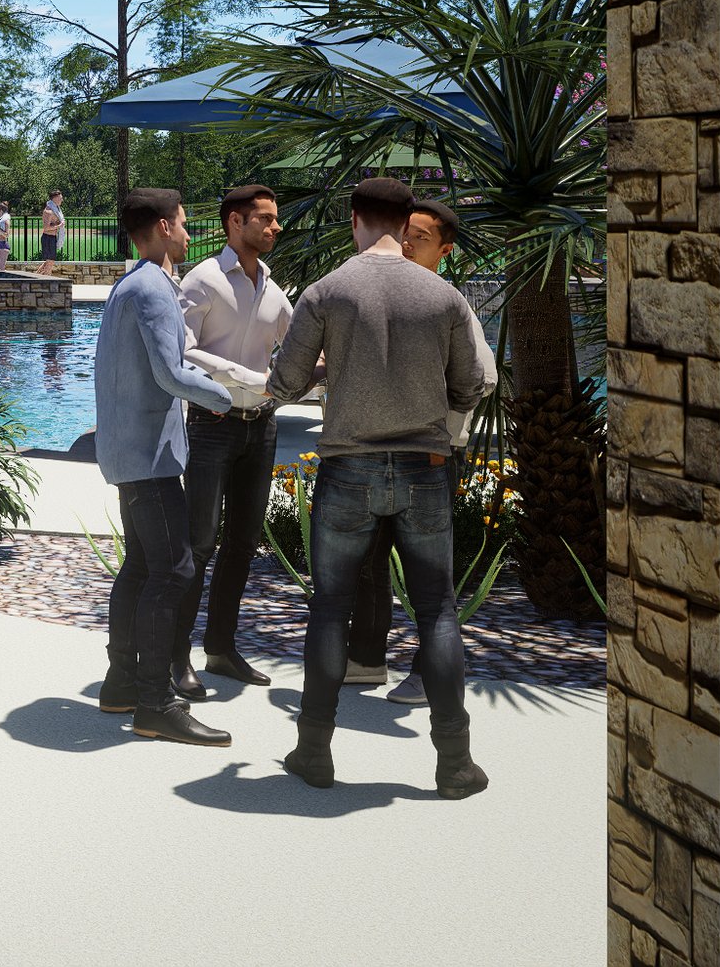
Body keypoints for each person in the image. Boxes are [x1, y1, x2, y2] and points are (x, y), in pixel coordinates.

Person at [270, 178, 491, 799]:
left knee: (330, 610)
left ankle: (313, 750)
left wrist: (330, 371)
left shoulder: (326, 291)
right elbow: (469, 385)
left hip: (348, 467)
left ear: (355, 220)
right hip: (424, 464)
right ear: (404, 221)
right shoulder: (444, 296)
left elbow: (284, 383)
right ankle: (454, 764)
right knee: (438, 612)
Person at [93, 187, 236, 747]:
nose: (187, 228)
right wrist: (233, 396)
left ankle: (121, 683)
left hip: (133, 453)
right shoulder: (151, 286)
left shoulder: (132, 283)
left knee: (142, 567)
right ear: (160, 225)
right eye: (182, 221)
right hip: (149, 459)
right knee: (173, 570)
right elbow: (172, 375)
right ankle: (156, 702)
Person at [346, 195, 498, 706]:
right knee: (370, 561)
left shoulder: (446, 301)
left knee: (428, 580)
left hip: (430, 456)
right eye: (406, 232)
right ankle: (367, 659)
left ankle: (426, 675)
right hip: (383, 453)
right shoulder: (386, 292)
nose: (408, 242)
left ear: (446, 251)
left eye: (423, 238)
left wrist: (443, 436)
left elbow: (483, 377)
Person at [175, 184, 292, 690]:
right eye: (265, 218)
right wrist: (246, 378)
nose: (275, 227)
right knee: (198, 544)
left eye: (275, 219)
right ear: (234, 223)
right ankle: (176, 657)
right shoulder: (201, 281)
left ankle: (221, 650)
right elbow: (182, 352)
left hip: (261, 428)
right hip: (211, 426)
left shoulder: (273, 287)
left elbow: (295, 352)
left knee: (242, 544)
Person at [39, 190, 65, 264]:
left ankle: (41, 275)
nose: (62, 200)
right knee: (48, 264)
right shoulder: (49, 211)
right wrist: (59, 225)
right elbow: (46, 228)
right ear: (55, 198)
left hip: (52, 238)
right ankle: (39, 276)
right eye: (60, 198)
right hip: (48, 238)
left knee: (49, 264)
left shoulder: (56, 210)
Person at [0, 201, 12, 267]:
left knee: (1, 268)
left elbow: (7, 235)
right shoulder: (1, 220)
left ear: (0, 209)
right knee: (0, 268)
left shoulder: (6, 220)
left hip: (3, 245)